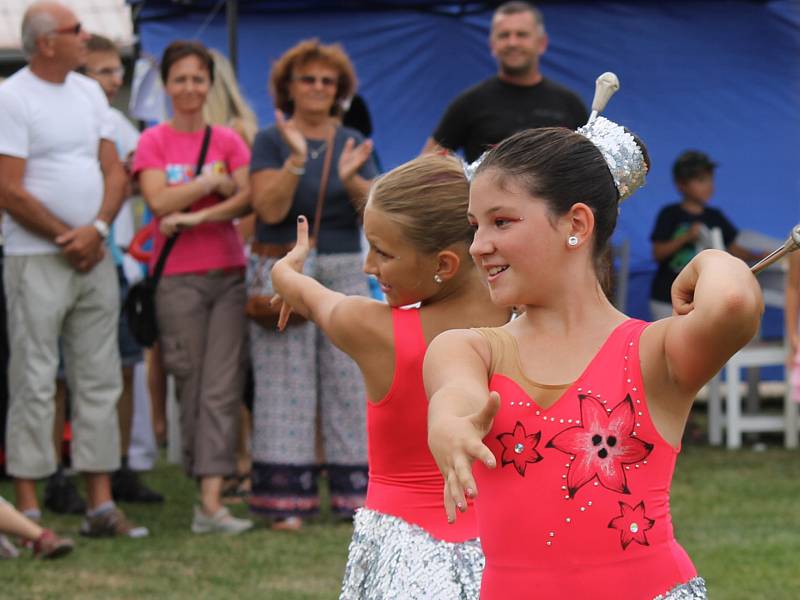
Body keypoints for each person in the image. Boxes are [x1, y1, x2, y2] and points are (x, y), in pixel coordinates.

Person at [425, 122, 763, 598]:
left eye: (501, 222)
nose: (479, 245)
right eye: (474, 226)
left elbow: (733, 305)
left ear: (576, 225)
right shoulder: (471, 349)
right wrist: (449, 423)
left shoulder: (652, 352)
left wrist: (707, 259)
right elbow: (455, 394)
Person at [270, 154, 508, 597]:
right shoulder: (526, 326)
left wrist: (287, 269)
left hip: (402, 560)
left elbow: (305, 292)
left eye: (383, 253)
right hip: (505, 556)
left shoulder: (373, 330)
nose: (368, 267)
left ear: (444, 263)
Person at [0, 1, 147, 538]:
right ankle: (28, 509)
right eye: (75, 30)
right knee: (34, 378)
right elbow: (8, 188)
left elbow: (113, 167)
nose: (86, 36)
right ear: (45, 43)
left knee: (99, 376)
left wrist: (100, 227)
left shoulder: (88, 92)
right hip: (35, 255)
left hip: (92, 252)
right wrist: (70, 236)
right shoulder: (11, 97)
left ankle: (100, 505)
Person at [248, 39, 377, 530]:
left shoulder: (354, 141)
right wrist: (297, 159)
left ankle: (355, 500)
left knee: (350, 381)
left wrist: (351, 179)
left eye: (328, 81)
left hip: (346, 265)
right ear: (289, 87)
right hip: (287, 264)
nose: (319, 88)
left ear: (339, 90)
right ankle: (286, 505)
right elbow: (270, 209)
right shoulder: (270, 139)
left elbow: (379, 212)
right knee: (286, 384)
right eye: (309, 79)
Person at [133, 40, 253, 535]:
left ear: (210, 84)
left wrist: (199, 210)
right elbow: (158, 201)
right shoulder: (153, 141)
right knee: (191, 382)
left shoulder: (228, 138)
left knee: (222, 387)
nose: (189, 87)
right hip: (175, 281)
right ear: (166, 85)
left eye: (197, 78)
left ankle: (211, 502)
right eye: (180, 78)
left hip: (226, 274)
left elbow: (248, 198)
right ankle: (202, 477)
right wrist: (209, 182)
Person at [80, 32, 163, 504]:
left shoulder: (119, 123)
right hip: (81, 256)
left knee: (127, 365)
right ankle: (66, 471)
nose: (115, 80)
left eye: (118, 70)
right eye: (104, 71)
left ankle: (124, 464)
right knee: (67, 375)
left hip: (121, 264)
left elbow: (138, 182)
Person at [422, 1, 587, 162]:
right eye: (504, 35)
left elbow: (594, 168)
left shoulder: (570, 104)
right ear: (492, 44)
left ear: (541, 43)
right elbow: (426, 166)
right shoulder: (469, 103)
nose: (512, 42)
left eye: (522, 34)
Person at [649, 150, 766, 320]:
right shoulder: (669, 214)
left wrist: (759, 256)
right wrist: (686, 237)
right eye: (701, 180)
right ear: (681, 184)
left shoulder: (715, 217)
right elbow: (657, 253)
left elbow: (733, 249)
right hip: (666, 298)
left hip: (704, 301)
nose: (709, 185)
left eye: (711, 179)